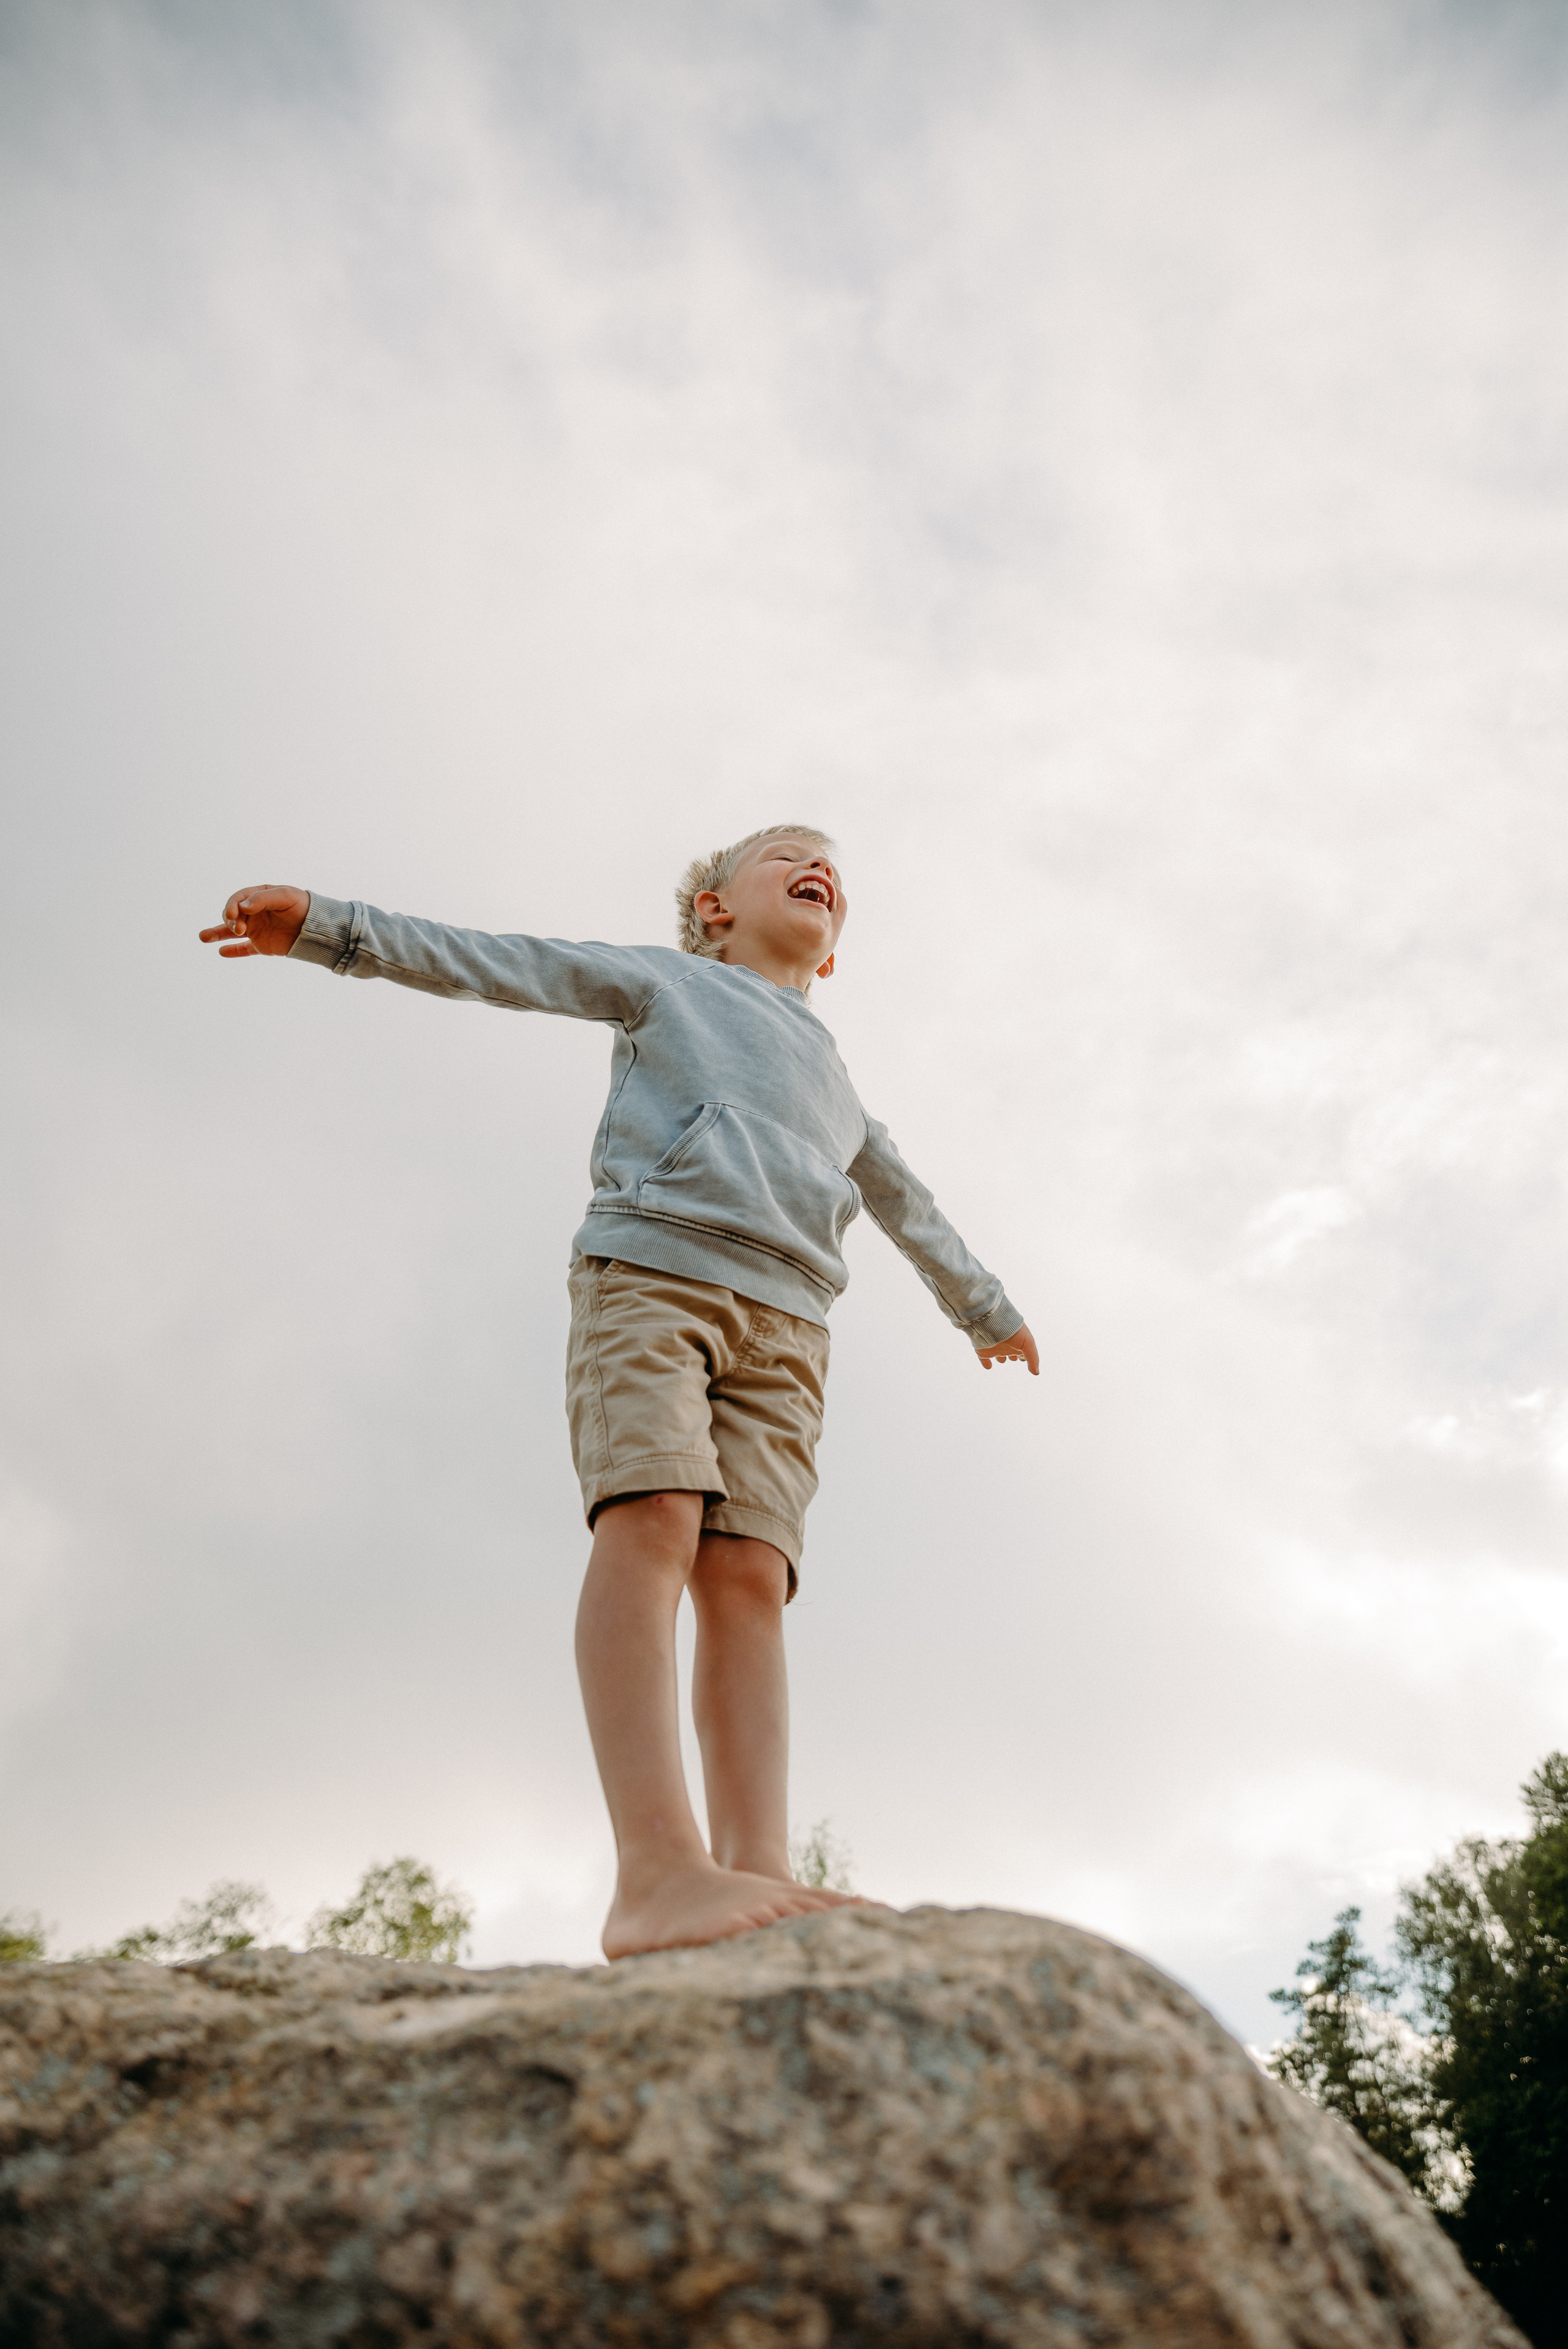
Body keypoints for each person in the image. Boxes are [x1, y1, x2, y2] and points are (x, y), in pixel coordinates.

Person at [200, 825, 1036, 1956]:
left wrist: (985, 1308)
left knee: (749, 1574)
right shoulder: (667, 981)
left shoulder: (839, 1081)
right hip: (657, 1271)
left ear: (833, 950)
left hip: (790, 1329)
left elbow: (906, 1201)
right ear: (713, 907)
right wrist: (332, 931)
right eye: (788, 852)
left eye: (836, 867)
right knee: (655, 1517)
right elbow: (502, 960)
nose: (821, 865)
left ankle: (757, 1870)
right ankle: (656, 1869)